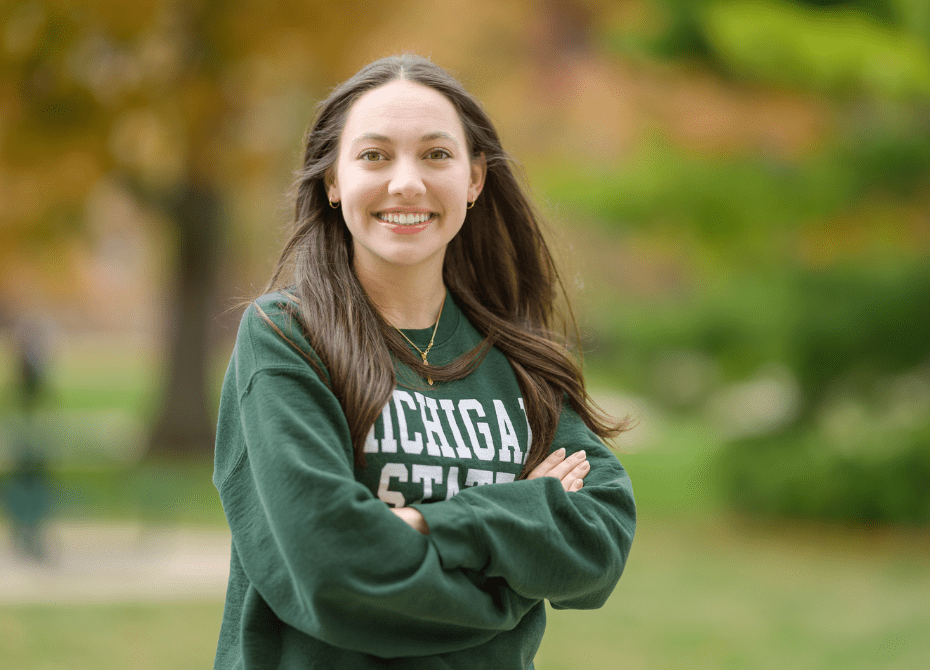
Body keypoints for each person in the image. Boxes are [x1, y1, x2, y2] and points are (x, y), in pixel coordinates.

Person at [212, 54, 636, 669]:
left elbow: (597, 543)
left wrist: (421, 525)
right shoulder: (287, 338)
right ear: (333, 181)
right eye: (374, 155)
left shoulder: (522, 361)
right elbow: (330, 571)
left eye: (436, 155)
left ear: (475, 179)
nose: (406, 183)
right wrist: (511, 564)